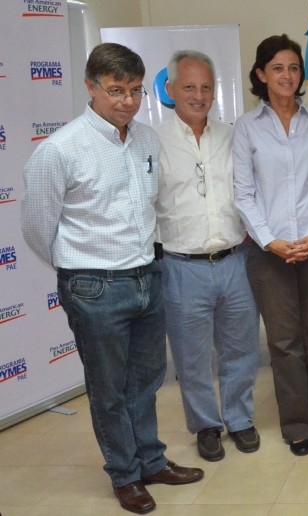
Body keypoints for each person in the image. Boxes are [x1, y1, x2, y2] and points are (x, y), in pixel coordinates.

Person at [21, 42, 203, 514]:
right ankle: (125, 475)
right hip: (94, 287)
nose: (127, 100)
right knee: (109, 390)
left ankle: (151, 461)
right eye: (116, 90)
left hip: (146, 277)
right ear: (91, 87)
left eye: (136, 90)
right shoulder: (60, 149)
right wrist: (78, 268)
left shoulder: (145, 140)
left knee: (146, 381)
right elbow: (37, 227)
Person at [233, 34, 308, 457]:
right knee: (283, 343)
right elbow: (243, 193)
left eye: (294, 68)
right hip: (269, 253)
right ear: (261, 74)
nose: (287, 75)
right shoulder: (246, 127)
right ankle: (298, 425)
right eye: (277, 68)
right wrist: (271, 241)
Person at [155, 50, 261, 462]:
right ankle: (206, 426)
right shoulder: (154, 142)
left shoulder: (233, 136)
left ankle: (239, 418)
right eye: (189, 87)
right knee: (192, 357)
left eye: (205, 87)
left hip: (235, 260)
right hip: (182, 267)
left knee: (241, 350)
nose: (198, 96)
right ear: (170, 89)